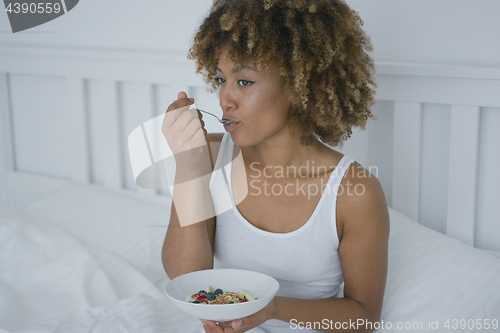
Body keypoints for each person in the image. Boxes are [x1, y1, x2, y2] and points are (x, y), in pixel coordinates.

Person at [161, 0, 389, 332]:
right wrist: (188, 167)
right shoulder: (207, 156)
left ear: (300, 85)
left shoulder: (354, 193)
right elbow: (186, 279)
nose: (225, 98)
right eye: (220, 79)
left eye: (244, 81)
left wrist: (271, 308)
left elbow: (363, 317)